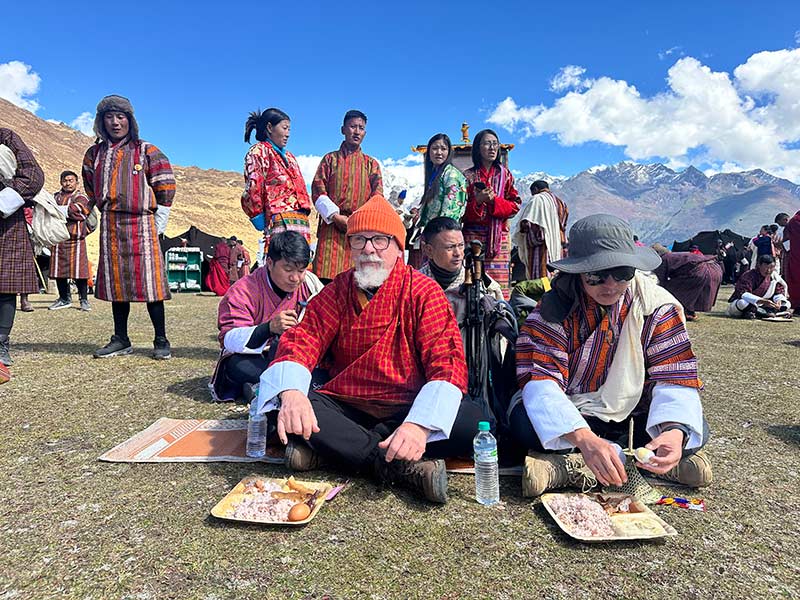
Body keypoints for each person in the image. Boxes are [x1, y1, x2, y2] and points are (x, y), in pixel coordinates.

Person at [256, 195, 481, 504]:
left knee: (473, 421)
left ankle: (334, 454)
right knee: (287, 406)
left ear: (398, 248)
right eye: (359, 240)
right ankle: (398, 467)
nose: (368, 250)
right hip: (349, 406)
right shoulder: (337, 290)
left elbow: (447, 362)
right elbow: (302, 340)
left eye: (379, 240)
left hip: (407, 408)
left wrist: (417, 426)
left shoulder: (423, 292)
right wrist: (293, 394)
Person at [512, 214, 712, 497]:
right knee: (525, 424)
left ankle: (655, 459)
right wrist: (583, 438)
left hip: (634, 413)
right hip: (576, 411)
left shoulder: (655, 306)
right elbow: (542, 382)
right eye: (596, 275)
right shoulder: (554, 310)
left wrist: (674, 432)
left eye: (622, 274)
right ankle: (603, 460)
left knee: (692, 426)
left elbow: (674, 376)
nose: (610, 285)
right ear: (579, 271)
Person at [82, 95, 176, 359]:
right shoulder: (94, 154)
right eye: (109, 117)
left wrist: (160, 220)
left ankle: (161, 339)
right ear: (101, 121)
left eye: (120, 117)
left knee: (151, 283)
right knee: (116, 284)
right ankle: (121, 338)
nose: (115, 122)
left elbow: (165, 183)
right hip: (111, 223)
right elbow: (90, 187)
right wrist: (87, 210)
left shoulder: (146, 150)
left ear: (130, 121)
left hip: (143, 223)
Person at [211, 231, 323, 402]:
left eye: (301, 270)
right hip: (257, 357)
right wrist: (268, 328)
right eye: (288, 269)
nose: (295, 278)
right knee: (236, 365)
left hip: (295, 354)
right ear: (270, 263)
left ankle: (270, 386)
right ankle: (290, 384)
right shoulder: (244, 290)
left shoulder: (310, 284)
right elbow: (229, 339)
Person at [311, 110, 383, 283]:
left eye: (361, 128)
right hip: (331, 230)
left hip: (359, 230)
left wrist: (358, 221)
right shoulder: (329, 160)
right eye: (352, 127)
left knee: (357, 282)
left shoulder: (371, 164)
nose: (357, 131)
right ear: (343, 129)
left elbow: (377, 197)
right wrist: (335, 217)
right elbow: (318, 190)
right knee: (326, 283)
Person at [0, 128, 45, 369]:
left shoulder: (6, 137)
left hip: (6, 222)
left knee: (5, 286)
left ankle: (1, 343)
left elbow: (33, 175)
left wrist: (2, 202)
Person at [418, 217, 503, 340]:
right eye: (450, 247)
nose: (458, 253)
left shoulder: (485, 287)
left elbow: (498, 340)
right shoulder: (415, 286)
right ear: (429, 250)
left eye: (461, 245)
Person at [240, 108, 311, 248]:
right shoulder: (258, 152)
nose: (288, 134)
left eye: (289, 129)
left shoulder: (290, 157)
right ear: (269, 127)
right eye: (284, 128)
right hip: (279, 219)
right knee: (282, 263)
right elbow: (253, 188)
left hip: (301, 221)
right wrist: (258, 216)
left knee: (302, 264)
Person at [463, 129, 521, 298]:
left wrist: (494, 201)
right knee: (473, 284)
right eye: (487, 143)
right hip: (472, 237)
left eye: (495, 144)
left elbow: (516, 205)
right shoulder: (468, 176)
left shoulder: (506, 175)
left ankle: (499, 321)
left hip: (499, 240)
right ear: (478, 148)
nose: (492, 147)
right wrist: (478, 201)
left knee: (499, 290)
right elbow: (459, 210)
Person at [408, 134, 467, 267]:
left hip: (443, 238)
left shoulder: (451, 175)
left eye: (443, 148)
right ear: (428, 152)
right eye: (435, 148)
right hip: (433, 236)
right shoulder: (436, 174)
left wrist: (438, 238)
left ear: (449, 152)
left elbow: (449, 211)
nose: (439, 152)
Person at [49, 170, 93, 312]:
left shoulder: (81, 197)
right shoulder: (55, 197)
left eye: (71, 180)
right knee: (58, 270)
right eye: (65, 180)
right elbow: (47, 210)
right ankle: (64, 299)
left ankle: (84, 300)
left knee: (80, 271)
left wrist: (57, 210)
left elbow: (79, 210)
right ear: (61, 182)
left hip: (76, 239)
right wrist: (61, 210)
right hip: (58, 238)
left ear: (76, 182)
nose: (68, 183)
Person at [511, 180, 568, 280]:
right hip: (558, 247)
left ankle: (543, 295)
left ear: (535, 189)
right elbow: (563, 225)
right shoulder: (561, 203)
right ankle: (553, 293)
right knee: (555, 275)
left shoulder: (537, 199)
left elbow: (528, 223)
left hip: (541, 248)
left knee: (542, 276)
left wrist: (525, 231)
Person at [651, 245, 723, 321]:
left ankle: (681, 312)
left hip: (701, 270)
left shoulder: (664, 259)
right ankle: (689, 312)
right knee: (690, 290)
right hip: (715, 269)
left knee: (673, 289)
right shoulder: (674, 256)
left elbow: (660, 280)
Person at [727, 254, 790, 319]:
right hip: (750, 304)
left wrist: (778, 301)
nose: (768, 270)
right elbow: (743, 293)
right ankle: (761, 313)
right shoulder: (749, 275)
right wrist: (761, 300)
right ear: (759, 265)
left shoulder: (774, 277)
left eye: (771, 267)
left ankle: (762, 313)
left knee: (787, 304)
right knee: (742, 303)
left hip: (765, 305)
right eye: (766, 267)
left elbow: (778, 292)